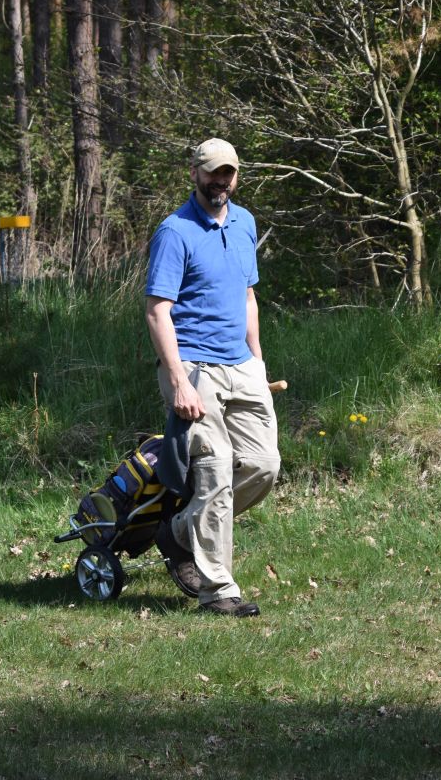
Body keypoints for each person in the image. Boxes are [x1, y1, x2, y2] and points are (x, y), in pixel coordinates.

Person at [144, 138, 280, 618]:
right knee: (216, 470)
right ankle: (218, 591)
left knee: (263, 465)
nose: (221, 181)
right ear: (195, 174)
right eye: (212, 172)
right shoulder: (174, 231)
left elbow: (248, 298)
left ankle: (179, 532)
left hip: (241, 365)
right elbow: (157, 311)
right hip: (194, 367)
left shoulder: (244, 223)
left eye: (228, 173)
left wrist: (258, 363)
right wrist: (179, 381)